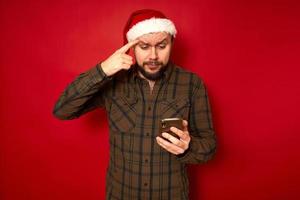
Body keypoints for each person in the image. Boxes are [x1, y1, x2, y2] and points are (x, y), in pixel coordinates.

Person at [53, 9, 216, 200]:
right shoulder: (113, 81)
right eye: (144, 46)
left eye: (162, 46)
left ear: (172, 43)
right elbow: (62, 110)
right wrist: (102, 70)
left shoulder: (192, 84)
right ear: (131, 47)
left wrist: (189, 147)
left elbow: (209, 147)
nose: (153, 56)